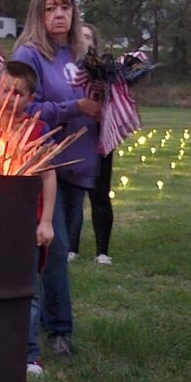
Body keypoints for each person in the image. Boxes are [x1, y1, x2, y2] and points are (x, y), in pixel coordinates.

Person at [10, 0, 102, 357]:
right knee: (55, 244)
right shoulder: (29, 55)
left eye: (64, 7)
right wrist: (74, 108)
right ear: (38, 14)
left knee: (57, 253)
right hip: (43, 163)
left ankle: (50, 323)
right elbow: (21, 108)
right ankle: (59, 331)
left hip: (79, 164)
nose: (59, 14)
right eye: (50, 8)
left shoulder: (80, 55)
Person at [0, 61, 56, 379]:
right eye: (4, 89)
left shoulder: (37, 129)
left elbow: (48, 176)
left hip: (26, 222)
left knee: (28, 290)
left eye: (17, 93)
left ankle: (29, 353)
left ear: (30, 98)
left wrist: (45, 222)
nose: (9, 97)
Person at [66, 23, 115, 265]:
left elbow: (119, 104)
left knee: (100, 194)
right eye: (80, 36)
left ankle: (102, 251)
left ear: (94, 43)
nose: (84, 40)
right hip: (74, 135)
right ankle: (71, 246)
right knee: (73, 195)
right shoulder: (66, 69)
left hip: (100, 138)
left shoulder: (105, 73)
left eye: (88, 37)